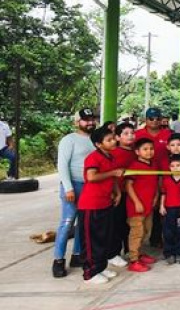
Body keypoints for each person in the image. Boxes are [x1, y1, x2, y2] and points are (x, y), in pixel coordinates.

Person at [77, 125, 124, 285]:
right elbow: (91, 177)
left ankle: (100, 267)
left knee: (104, 238)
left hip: (105, 202)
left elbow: (114, 178)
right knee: (92, 241)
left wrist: (117, 192)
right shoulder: (93, 158)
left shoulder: (111, 157)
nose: (113, 142)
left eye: (113, 138)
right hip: (91, 204)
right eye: (109, 140)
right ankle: (89, 273)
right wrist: (112, 173)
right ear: (98, 144)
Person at [52, 108, 97, 278]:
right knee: (67, 223)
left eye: (92, 119)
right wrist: (68, 188)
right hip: (73, 186)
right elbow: (62, 166)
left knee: (83, 223)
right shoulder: (68, 140)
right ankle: (58, 260)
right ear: (77, 122)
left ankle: (77, 255)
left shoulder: (95, 140)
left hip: (89, 186)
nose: (90, 123)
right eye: (86, 120)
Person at [135, 108, 172, 248]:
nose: (154, 121)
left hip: (164, 174)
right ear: (146, 119)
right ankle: (135, 244)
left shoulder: (167, 134)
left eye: (157, 118)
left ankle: (156, 238)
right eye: (151, 118)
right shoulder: (138, 134)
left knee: (160, 207)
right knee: (143, 207)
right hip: (143, 176)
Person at [125, 138, 159, 273]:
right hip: (136, 207)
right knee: (137, 233)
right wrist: (137, 202)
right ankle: (133, 260)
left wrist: (155, 197)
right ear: (137, 152)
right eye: (145, 149)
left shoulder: (154, 165)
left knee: (146, 231)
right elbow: (128, 185)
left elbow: (155, 183)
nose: (149, 152)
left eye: (151, 149)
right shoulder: (134, 166)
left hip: (149, 205)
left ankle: (139, 254)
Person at [107, 122, 135, 269]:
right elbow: (111, 175)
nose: (130, 136)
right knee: (117, 224)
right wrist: (114, 192)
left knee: (128, 225)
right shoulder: (114, 153)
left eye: (132, 132)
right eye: (126, 133)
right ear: (117, 137)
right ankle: (113, 254)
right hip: (119, 194)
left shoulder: (134, 152)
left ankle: (130, 251)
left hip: (131, 193)